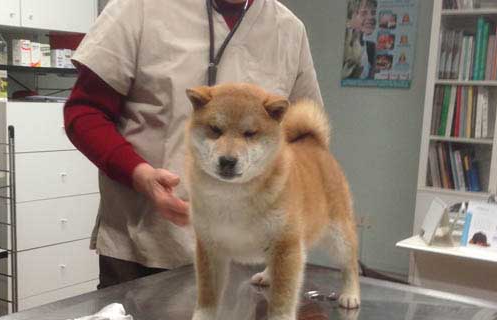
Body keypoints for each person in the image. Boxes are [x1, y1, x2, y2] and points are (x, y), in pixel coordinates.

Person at [64, 0, 323, 288]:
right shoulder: (138, 7)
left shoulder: (288, 29)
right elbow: (85, 112)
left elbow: (304, 139)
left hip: (248, 253)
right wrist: (139, 174)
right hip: (146, 244)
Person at [342, 0, 377, 80]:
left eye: (373, 12)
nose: (370, 17)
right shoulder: (343, 48)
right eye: (364, 13)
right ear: (349, 20)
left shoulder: (372, 47)